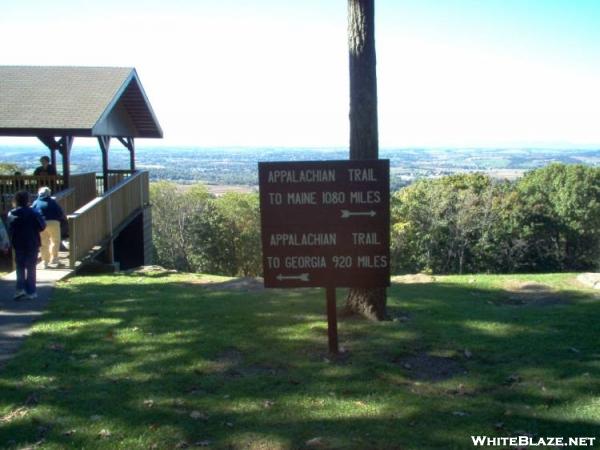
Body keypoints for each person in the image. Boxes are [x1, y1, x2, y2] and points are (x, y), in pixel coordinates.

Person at [7, 191, 46, 300]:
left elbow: (10, 228)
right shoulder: (34, 212)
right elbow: (42, 226)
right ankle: (31, 291)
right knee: (31, 267)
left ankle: (20, 289)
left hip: (18, 242)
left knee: (20, 266)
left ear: (16, 200)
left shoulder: (12, 213)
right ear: (27, 200)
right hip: (32, 242)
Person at [32, 187, 65, 268]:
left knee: (43, 243)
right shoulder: (53, 202)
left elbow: (32, 212)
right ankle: (54, 258)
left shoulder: (36, 202)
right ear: (48, 194)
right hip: (54, 222)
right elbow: (60, 212)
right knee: (55, 241)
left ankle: (45, 262)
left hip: (41, 224)